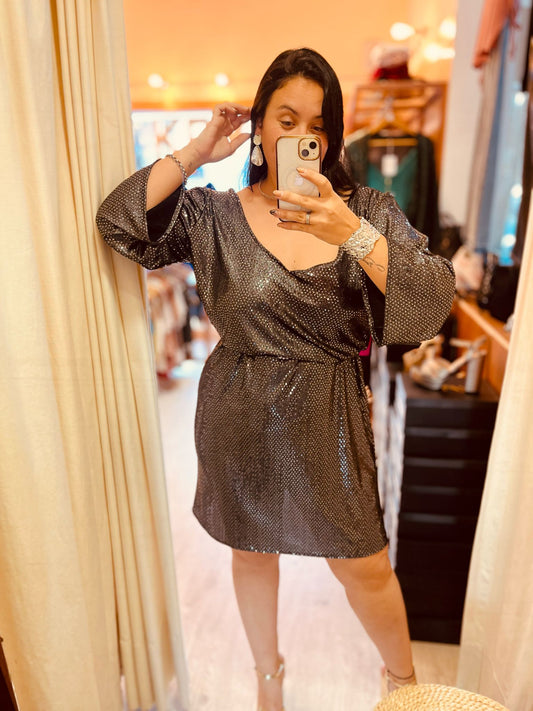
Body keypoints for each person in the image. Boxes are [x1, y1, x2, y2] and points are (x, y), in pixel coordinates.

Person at [96, 48, 455, 711]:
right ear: (259, 124)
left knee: (363, 562)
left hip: (330, 413)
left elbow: (432, 299)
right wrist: (198, 150)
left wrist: (351, 233)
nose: (300, 137)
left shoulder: (366, 210)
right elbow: (118, 221)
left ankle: (405, 688)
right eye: (285, 120)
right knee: (251, 550)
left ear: (333, 137)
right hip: (237, 409)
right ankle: (269, 681)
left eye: (316, 125)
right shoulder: (212, 214)